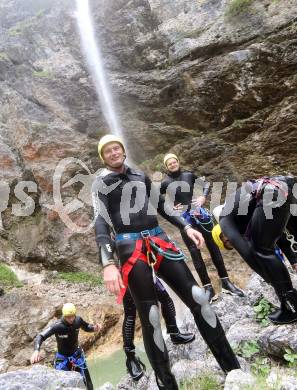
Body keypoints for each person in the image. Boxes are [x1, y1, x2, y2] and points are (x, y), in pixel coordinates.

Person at [92, 134, 240, 390]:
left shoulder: (140, 176)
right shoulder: (100, 183)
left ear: (123, 150)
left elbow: (162, 206)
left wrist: (185, 227)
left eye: (117, 148)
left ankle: (233, 369)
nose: (114, 153)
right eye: (108, 151)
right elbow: (101, 221)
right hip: (129, 248)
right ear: (103, 157)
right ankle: (167, 384)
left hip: (159, 240)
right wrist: (107, 263)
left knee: (199, 297)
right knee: (150, 317)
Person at [94, 225, 195, 381]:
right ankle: (130, 358)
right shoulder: (110, 232)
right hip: (127, 274)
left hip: (145, 270)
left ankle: (174, 332)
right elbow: (105, 245)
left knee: (166, 299)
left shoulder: (131, 224)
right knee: (130, 314)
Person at [211, 175, 297, 325]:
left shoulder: (225, 219)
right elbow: (280, 234)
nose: (230, 240)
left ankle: (291, 307)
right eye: (228, 245)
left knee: (261, 249)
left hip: (273, 191)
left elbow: (250, 255)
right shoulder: (248, 210)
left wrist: (274, 283)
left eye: (226, 239)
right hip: (287, 185)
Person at [160, 153, 244, 302]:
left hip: (199, 213)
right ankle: (208, 289)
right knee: (195, 252)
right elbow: (157, 199)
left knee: (213, 247)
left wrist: (202, 197)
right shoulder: (166, 183)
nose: (173, 165)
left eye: (174, 162)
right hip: (184, 219)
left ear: (178, 162)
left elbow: (205, 185)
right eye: (169, 164)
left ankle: (226, 282)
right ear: (166, 167)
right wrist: (171, 207)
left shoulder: (188, 175)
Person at [30, 303, 100, 390]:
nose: (71, 319)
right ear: (64, 315)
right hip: (62, 358)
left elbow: (86, 327)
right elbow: (41, 336)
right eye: (68, 317)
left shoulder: (78, 320)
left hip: (76, 355)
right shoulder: (57, 326)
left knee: (87, 382)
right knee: (61, 385)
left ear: (75, 314)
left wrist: (94, 328)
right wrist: (36, 350)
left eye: (72, 316)